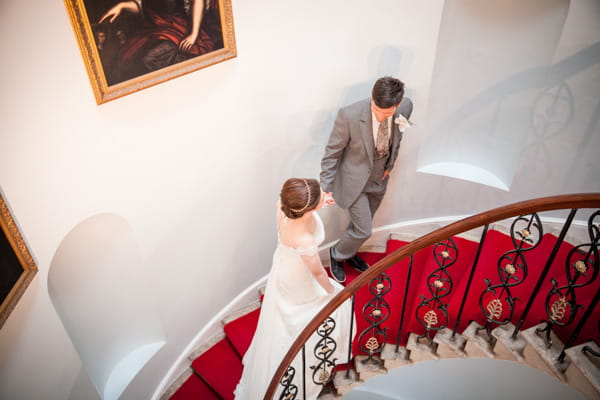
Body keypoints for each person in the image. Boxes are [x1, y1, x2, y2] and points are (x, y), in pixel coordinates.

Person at [234, 178, 355, 400]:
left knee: (282, 311)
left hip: (283, 266)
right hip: (299, 274)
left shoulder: (283, 203)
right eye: (319, 197)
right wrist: (332, 293)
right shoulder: (304, 238)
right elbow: (318, 272)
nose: (323, 197)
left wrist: (319, 202)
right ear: (307, 209)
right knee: (331, 303)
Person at [320, 77, 413, 283]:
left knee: (362, 224)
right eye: (376, 109)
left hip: (380, 179)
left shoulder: (405, 107)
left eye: (387, 113)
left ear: (397, 105)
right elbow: (332, 153)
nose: (380, 116)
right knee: (364, 229)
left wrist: (389, 166)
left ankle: (349, 253)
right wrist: (325, 187)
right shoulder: (349, 115)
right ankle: (337, 254)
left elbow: (397, 140)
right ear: (372, 97)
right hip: (355, 182)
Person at [98, 0, 223, 84]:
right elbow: (145, 6)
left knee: (150, 58)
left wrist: (194, 34)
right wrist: (123, 6)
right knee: (125, 58)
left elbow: (198, 1)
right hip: (155, 29)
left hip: (177, 28)